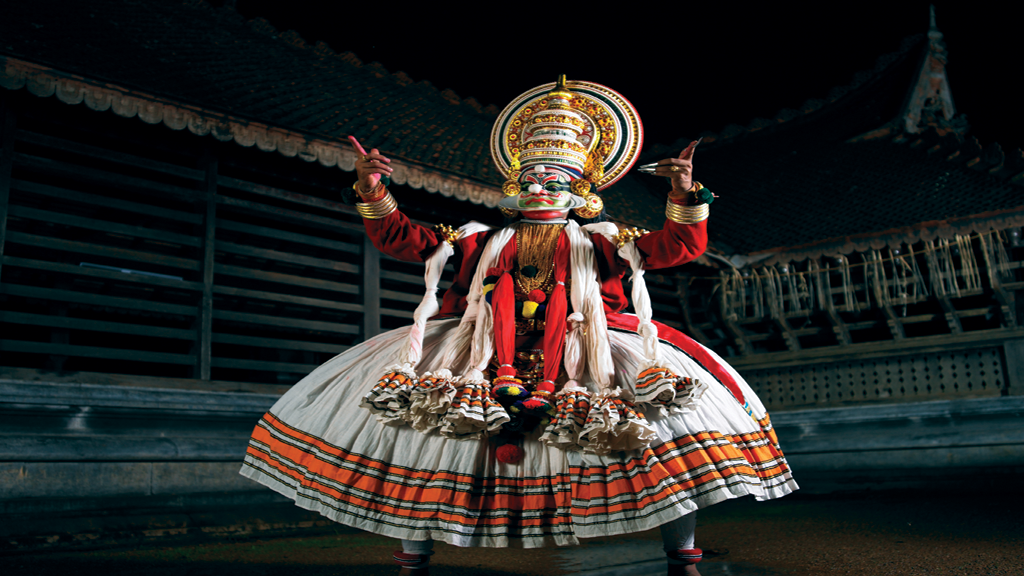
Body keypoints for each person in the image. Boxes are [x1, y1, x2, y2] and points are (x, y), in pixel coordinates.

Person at [241, 77, 797, 576]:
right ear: (515, 180)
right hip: (478, 343)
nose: (541, 185)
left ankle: (683, 558)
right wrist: (372, 190)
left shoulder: (602, 239)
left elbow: (674, 246)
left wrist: (682, 194)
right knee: (412, 438)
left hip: (588, 348)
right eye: (532, 176)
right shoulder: (480, 236)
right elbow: (407, 241)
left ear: (580, 187)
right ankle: (414, 557)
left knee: (662, 440)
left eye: (555, 177)